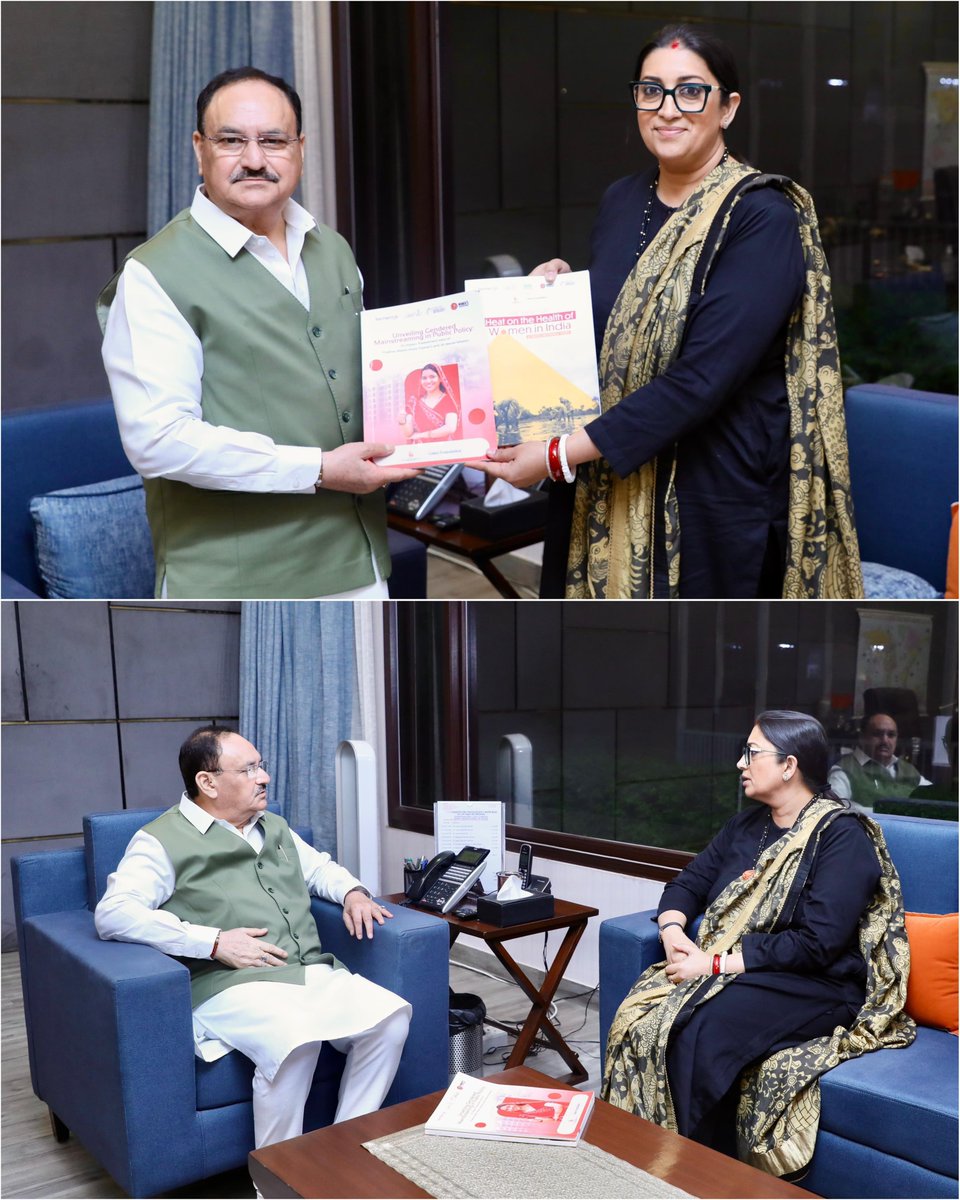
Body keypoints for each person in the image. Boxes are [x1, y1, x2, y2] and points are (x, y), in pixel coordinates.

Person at [480, 24, 862, 600]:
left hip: (708, 497)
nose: (667, 110)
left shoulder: (763, 218)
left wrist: (557, 453)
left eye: (690, 91)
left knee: (696, 667)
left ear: (727, 107)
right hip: (603, 477)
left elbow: (702, 378)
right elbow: (625, 321)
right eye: (650, 90)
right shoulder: (621, 199)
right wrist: (558, 294)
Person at [98, 66, 418, 600]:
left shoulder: (332, 247)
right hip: (237, 580)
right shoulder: (154, 273)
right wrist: (317, 469)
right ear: (199, 148)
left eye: (273, 140)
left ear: (299, 148)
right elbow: (158, 440)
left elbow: (363, 378)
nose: (253, 159)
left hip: (359, 561)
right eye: (231, 140)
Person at [602, 710, 913, 1178]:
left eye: (752, 753)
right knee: (644, 1017)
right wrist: (672, 933)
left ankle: (685, 1175)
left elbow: (819, 943)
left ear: (789, 766)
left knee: (702, 1027)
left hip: (817, 983)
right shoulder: (745, 828)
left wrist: (712, 965)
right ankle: (630, 1159)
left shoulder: (840, 837)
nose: (739, 763)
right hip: (742, 970)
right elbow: (687, 884)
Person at [94, 726, 411, 1153]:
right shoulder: (159, 840)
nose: (263, 777)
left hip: (308, 970)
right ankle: (276, 1179)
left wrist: (353, 892)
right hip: (230, 983)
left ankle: (345, 1152)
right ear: (207, 782)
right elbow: (114, 913)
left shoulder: (273, 826)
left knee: (390, 1019)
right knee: (296, 1040)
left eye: (261, 766)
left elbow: (318, 869)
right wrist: (213, 942)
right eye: (248, 769)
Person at [828, 712, 930, 812]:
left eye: (891, 735)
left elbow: (934, 801)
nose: (885, 741)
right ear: (862, 738)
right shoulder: (844, 771)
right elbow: (834, 810)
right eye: (877, 734)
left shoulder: (909, 770)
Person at [399, 363, 462, 441]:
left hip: (444, 448)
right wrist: (402, 421)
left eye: (432, 377)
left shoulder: (448, 401)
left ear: (440, 378)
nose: (428, 381)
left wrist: (422, 435)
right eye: (424, 378)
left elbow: (450, 428)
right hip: (420, 449)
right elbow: (408, 434)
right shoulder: (415, 402)